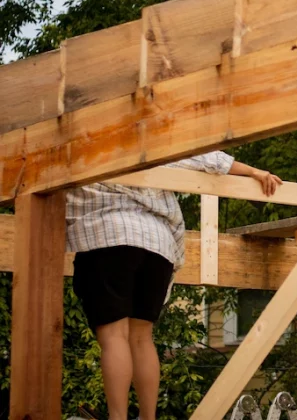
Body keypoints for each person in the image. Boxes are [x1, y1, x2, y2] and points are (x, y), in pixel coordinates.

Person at [66, 151, 283, 420]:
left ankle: (118, 418)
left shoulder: (83, 142)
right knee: (141, 338)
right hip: (158, 245)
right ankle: (148, 418)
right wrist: (254, 172)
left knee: (114, 337)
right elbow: (205, 158)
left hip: (107, 236)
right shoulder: (147, 142)